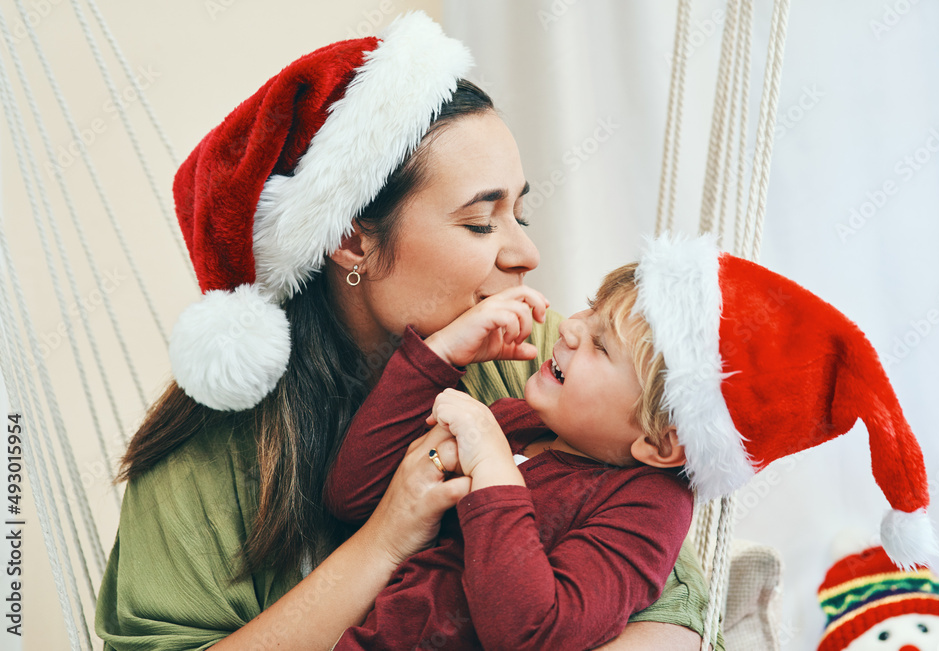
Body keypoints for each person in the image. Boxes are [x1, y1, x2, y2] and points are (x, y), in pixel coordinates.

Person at [95, 13, 720, 651]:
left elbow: (668, 605)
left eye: (520, 212)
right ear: (351, 239)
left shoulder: (543, 356)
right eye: (482, 223)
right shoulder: (206, 455)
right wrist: (390, 533)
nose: (526, 253)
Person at [325, 268, 695, 650]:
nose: (569, 328)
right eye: (590, 309)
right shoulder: (516, 421)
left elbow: (533, 633)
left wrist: (493, 467)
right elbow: (352, 496)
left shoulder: (649, 505)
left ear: (658, 443)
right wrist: (439, 355)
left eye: (601, 344)